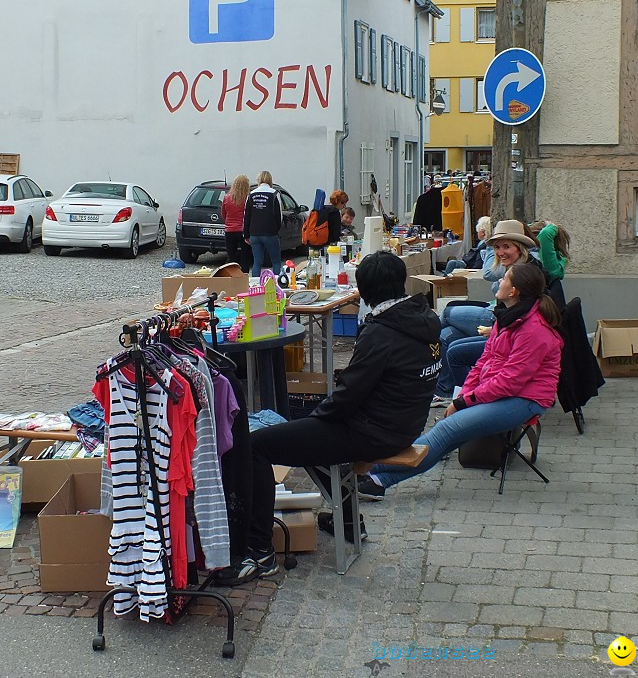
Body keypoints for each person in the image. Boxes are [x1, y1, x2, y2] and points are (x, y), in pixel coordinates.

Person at [214, 252, 441, 585]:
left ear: (365, 291)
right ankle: (347, 522)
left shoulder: (382, 333)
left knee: (255, 446)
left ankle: (259, 551)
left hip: (374, 431)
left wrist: (319, 419)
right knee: (300, 434)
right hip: (404, 423)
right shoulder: (424, 318)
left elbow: (347, 396)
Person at [358, 263, 563, 499]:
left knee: (446, 430)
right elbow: (484, 362)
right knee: (446, 432)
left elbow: (511, 382)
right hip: (505, 391)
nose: (500, 282)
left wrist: (465, 402)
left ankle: (375, 475)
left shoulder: (532, 329)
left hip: (526, 399)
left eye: (505, 278)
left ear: (514, 290)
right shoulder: (508, 316)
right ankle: (374, 474)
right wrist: (464, 395)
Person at [432, 219, 548, 400]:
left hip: (505, 331)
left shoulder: (523, 273)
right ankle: (447, 390)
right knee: (447, 335)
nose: (500, 252)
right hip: (502, 325)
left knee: (447, 318)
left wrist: (495, 329)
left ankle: (464, 396)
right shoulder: (517, 267)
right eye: (497, 247)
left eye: (506, 247)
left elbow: (521, 316)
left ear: (519, 247)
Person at [243, 170, 284, 275]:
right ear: (270, 180)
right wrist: (276, 229)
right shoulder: (274, 194)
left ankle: (254, 285)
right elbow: (279, 215)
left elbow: (246, 216)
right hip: (270, 232)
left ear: (259, 180)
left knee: (257, 262)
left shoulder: (251, 194)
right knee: (275, 261)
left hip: (254, 233)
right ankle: (276, 284)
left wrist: (246, 234)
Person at [222, 174, 252, 272]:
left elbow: (223, 214)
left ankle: (232, 278)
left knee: (231, 258)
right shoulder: (247, 198)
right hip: (243, 230)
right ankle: (244, 277)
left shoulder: (227, 197)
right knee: (245, 257)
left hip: (229, 230)